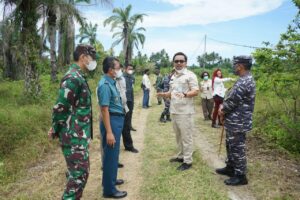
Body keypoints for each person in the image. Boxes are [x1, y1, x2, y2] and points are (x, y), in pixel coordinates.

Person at [48, 44, 97, 199]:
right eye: (92, 57)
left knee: (78, 173)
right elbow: (60, 107)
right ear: (83, 57)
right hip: (73, 135)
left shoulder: (79, 76)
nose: (93, 61)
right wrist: (55, 128)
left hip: (78, 134)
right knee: (79, 175)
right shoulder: (72, 78)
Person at [216, 56, 256, 186]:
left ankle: (240, 175)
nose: (234, 67)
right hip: (234, 121)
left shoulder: (245, 81)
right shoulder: (243, 79)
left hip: (239, 122)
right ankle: (231, 168)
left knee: (237, 148)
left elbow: (233, 101)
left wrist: (222, 110)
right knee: (230, 145)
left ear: (240, 66)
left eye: (235, 65)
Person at [158, 52, 199, 171]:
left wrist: (185, 94)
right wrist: (165, 94)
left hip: (185, 112)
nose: (179, 63)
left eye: (181, 61)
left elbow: (195, 91)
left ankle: (188, 161)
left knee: (186, 137)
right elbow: (172, 93)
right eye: (176, 61)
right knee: (178, 136)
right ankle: (181, 156)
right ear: (173, 63)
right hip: (175, 111)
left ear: (185, 63)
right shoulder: (173, 76)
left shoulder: (190, 75)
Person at [97, 56, 127, 198]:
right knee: (110, 155)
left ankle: (111, 180)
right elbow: (104, 109)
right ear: (110, 70)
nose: (119, 70)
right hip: (111, 121)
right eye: (117, 67)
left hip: (116, 120)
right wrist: (109, 132)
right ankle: (109, 190)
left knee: (114, 155)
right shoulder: (105, 85)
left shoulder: (112, 82)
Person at [118, 63, 139, 153]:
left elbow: (131, 89)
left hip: (130, 100)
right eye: (129, 68)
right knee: (123, 125)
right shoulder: (121, 77)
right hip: (123, 103)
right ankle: (128, 145)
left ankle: (128, 145)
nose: (131, 70)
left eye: (132, 69)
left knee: (127, 122)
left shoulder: (131, 77)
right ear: (125, 69)